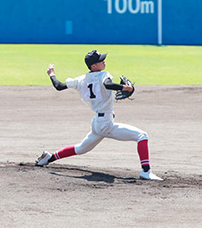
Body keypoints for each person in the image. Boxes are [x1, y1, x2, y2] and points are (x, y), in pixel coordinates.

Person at [36, 50, 163, 181]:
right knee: (142, 136)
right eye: (100, 60)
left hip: (97, 123)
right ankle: (146, 171)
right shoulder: (103, 75)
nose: (103, 61)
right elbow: (107, 84)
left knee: (81, 148)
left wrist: (52, 74)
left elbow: (59, 86)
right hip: (105, 124)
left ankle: (49, 158)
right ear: (93, 66)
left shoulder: (80, 80)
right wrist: (126, 88)